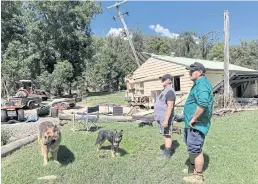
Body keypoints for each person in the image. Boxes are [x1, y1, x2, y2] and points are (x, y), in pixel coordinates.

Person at [183, 62, 214, 183]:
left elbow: (203, 103)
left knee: (195, 149)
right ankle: (193, 169)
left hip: (197, 123)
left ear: (200, 72)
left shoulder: (202, 84)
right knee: (191, 147)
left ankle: (198, 176)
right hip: (190, 123)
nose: (189, 72)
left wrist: (194, 118)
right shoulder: (197, 84)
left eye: (192, 70)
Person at [154, 74, 176, 160]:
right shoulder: (164, 91)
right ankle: (166, 151)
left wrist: (166, 120)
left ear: (169, 81)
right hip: (161, 117)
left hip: (166, 118)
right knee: (165, 134)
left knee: (167, 135)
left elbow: (170, 106)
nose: (162, 81)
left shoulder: (170, 91)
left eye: (163, 79)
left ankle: (167, 154)